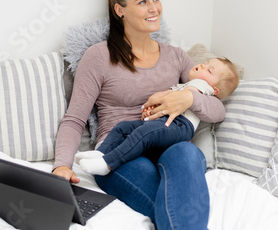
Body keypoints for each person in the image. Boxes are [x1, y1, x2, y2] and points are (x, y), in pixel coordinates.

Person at [52, 0, 237, 230]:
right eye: (142, 2)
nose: (154, 8)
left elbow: (217, 110)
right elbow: (74, 119)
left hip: (168, 144)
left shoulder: (177, 57)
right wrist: (61, 165)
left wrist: (188, 97)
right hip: (121, 155)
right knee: (171, 206)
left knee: (189, 154)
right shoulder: (99, 57)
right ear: (119, 10)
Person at [76, 57, 239, 176]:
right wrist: (153, 108)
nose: (202, 65)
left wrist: (173, 97)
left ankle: (108, 164)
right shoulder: (186, 85)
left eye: (209, 70)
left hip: (180, 125)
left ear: (215, 90)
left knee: (144, 133)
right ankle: (101, 153)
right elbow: (169, 101)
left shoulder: (202, 87)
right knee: (123, 127)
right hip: (163, 121)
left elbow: (185, 99)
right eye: (206, 62)